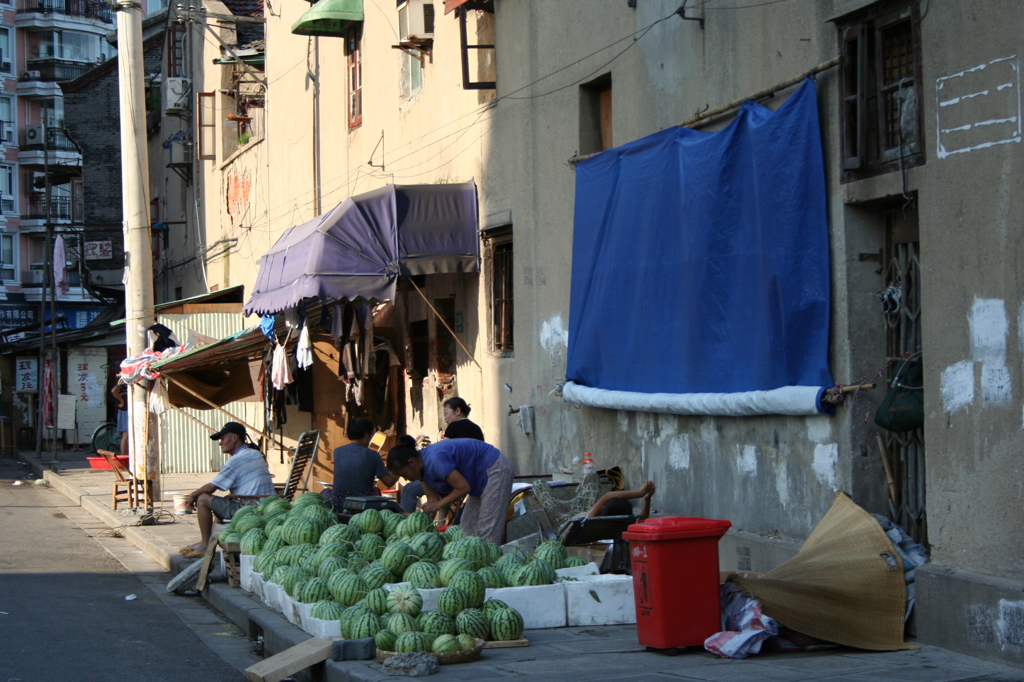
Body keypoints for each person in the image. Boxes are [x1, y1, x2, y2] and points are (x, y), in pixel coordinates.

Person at [387, 437, 513, 545]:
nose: (405, 479)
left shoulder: (435, 460)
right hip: (478, 478)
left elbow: (463, 487)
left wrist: (439, 504)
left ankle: (489, 562)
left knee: (488, 529)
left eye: (404, 474)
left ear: (412, 462)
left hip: (494, 468)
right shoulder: (421, 471)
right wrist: (424, 530)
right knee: (467, 524)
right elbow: (432, 500)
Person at [181, 422, 274, 557]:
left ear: (234, 438)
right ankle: (207, 545)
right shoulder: (255, 454)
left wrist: (192, 496)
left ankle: (205, 545)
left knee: (203, 499)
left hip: (250, 508)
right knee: (219, 507)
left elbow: (211, 487)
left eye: (223, 439)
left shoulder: (237, 459)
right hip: (265, 505)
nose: (220, 443)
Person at [329, 418, 398, 507]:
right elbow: (389, 482)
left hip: (337, 503)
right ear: (366, 435)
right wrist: (401, 467)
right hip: (361, 505)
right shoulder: (372, 455)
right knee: (377, 492)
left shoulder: (338, 452)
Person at [584, 479, 655, 519]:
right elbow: (642, 520)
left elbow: (608, 496)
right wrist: (647, 499)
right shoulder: (627, 531)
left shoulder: (589, 526)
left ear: (602, 509)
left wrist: (639, 493)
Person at [110, 381, 128, 457]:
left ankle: (126, 456)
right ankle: (124, 456)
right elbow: (114, 391)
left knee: (127, 435)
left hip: (129, 409)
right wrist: (122, 401)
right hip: (125, 410)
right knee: (126, 434)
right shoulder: (124, 381)